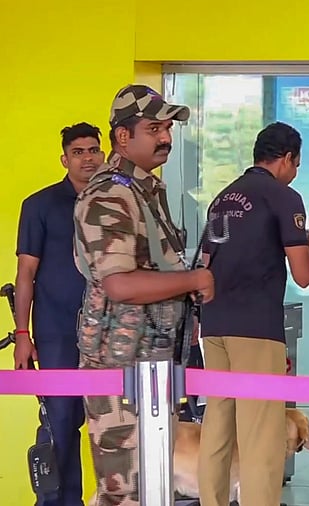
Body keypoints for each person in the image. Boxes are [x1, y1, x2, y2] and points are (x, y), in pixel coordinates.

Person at [74, 84, 215, 506]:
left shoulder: (144, 191)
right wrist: (195, 281)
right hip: (119, 371)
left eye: (168, 128)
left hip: (151, 368)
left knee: (155, 486)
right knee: (125, 493)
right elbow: (121, 284)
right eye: (154, 128)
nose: (166, 138)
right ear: (123, 136)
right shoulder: (108, 195)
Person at [198, 122, 309, 506]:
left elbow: (207, 262)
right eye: (297, 164)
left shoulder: (222, 198)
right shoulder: (283, 197)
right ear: (287, 159)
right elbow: (305, 274)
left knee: (217, 425)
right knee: (261, 433)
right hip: (256, 327)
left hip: (215, 323)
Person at [14, 122, 104, 506]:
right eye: (79, 152)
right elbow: (25, 273)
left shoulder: (114, 203)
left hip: (107, 332)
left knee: (109, 423)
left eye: (93, 150)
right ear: (65, 159)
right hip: (56, 332)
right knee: (60, 422)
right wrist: (22, 335)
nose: (88, 157)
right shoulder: (40, 205)